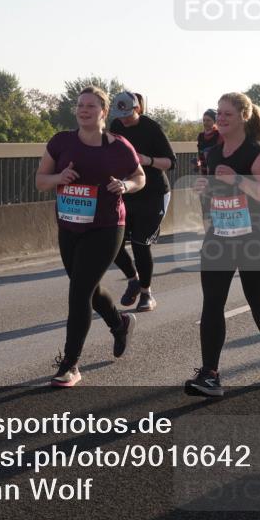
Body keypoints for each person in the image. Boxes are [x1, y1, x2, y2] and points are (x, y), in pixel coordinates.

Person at [36, 87, 146, 387]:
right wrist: (59, 178)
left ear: (104, 111)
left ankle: (70, 364)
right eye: (80, 105)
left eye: (91, 106)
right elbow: (41, 180)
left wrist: (125, 185)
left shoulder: (119, 147)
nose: (84, 110)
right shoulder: (61, 142)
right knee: (87, 287)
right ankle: (119, 323)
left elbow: (140, 177)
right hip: (70, 226)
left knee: (79, 293)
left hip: (107, 227)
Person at [186, 92, 260, 396]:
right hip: (220, 236)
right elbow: (218, 188)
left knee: (257, 301)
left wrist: (238, 180)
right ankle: (210, 375)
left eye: (227, 113)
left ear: (244, 116)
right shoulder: (214, 152)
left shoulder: (257, 153)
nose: (221, 118)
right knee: (212, 303)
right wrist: (206, 186)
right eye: (219, 113)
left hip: (256, 237)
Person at [109, 91, 176, 312]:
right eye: (120, 114)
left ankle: (147, 293)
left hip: (154, 193)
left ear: (137, 108)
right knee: (112, 242)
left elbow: (170, 162)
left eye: (128, 113)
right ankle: (133, 279)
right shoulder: (116, 126)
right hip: (127, 191)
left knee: (140, 243)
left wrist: (146, 160)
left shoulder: (151, 128)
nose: (124, 119)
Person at [195, 108, 222, 228]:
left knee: (217, 208)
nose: (205, 123)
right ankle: (208, 238)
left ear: (215, 121)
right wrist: (198, 163)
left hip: (218, 178)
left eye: (208, 120)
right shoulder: (200, 136)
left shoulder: (219, 135)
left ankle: (219, 234)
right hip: (205, 177)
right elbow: (200, 155)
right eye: (204, 120)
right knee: (206, 208)